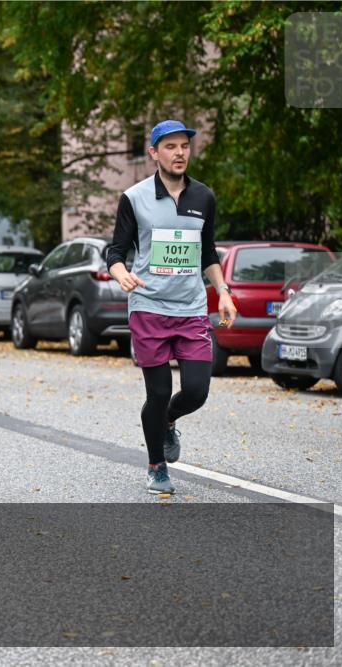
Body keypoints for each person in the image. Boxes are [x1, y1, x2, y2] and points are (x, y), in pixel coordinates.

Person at [105, 120, 237, 495]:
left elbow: (207, 253)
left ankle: (167, 423)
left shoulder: (203, 198)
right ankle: (156, 465)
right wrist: (121, 273)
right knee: (159, 391)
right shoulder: (134, 197)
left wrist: (223, 292)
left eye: (185, 146)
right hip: (148, 306)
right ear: (154, 153)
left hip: (191, 307)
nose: (180, 153)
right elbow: (116, 251)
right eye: (171, 147)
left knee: (196, 391)